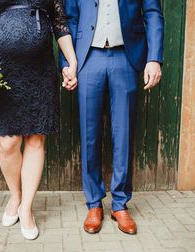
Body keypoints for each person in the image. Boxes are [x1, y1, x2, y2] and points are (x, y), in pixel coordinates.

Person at [0, 0, 77, 240]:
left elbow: (60, 23)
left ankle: (27, 207)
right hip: (2, 69)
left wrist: (71, 62)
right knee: (7, 142)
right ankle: (15, 195)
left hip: (40, 70)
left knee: (35, 139)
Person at [60, 0, 164, 234]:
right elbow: (68, 18)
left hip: (126, 56)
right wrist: (67, 63)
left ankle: (120, 204)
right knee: (89, 134)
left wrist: (154, 58)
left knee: (124, 131)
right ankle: (94, 203)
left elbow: (153, 14)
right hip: (88, 57)